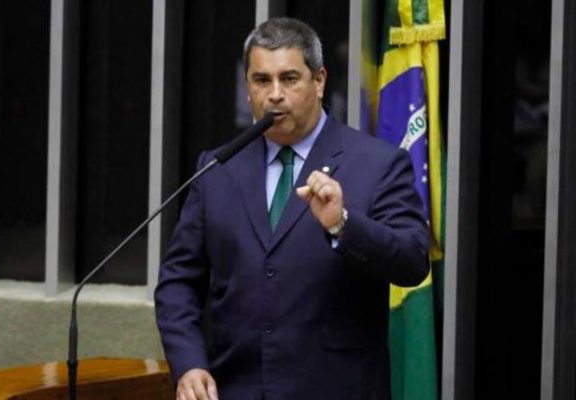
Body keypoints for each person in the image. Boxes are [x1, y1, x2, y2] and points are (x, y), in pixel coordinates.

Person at [155, 17, 429, 400]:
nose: (275, 95)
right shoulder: (218, 168)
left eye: (290, 79)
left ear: (319, 81)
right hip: (236, 388)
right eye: (261, 80)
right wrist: (189, 364)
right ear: (247, 87)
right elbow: (178, 283)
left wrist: (344, 225)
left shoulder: (377, 163)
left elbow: (413, 261)